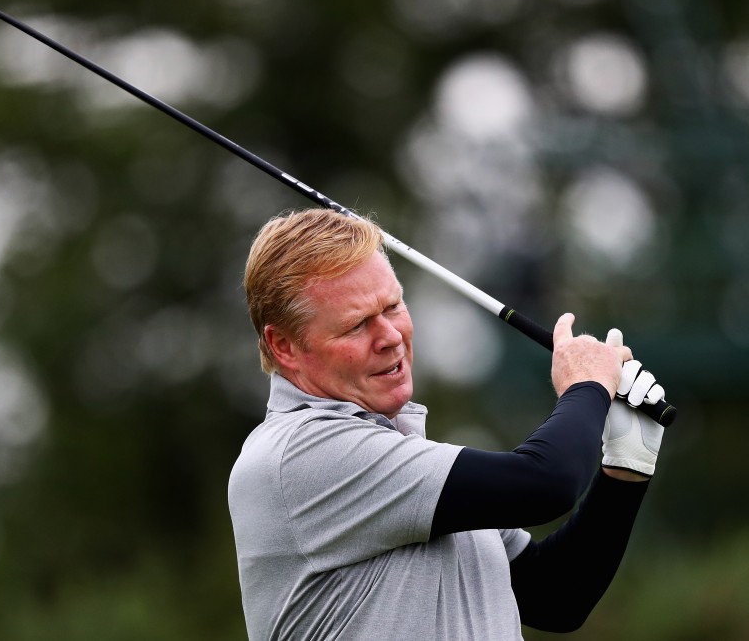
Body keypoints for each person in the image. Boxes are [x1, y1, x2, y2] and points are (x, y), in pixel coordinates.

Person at [228, 208, 667, 640]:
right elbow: (548, 481)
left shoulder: (406, 458)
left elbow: (554, 595)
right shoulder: (299, 453)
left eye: (393, 306)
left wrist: (624, 471)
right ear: (284, 346)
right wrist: (587, 385)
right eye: (357, 325)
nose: (391, 337)